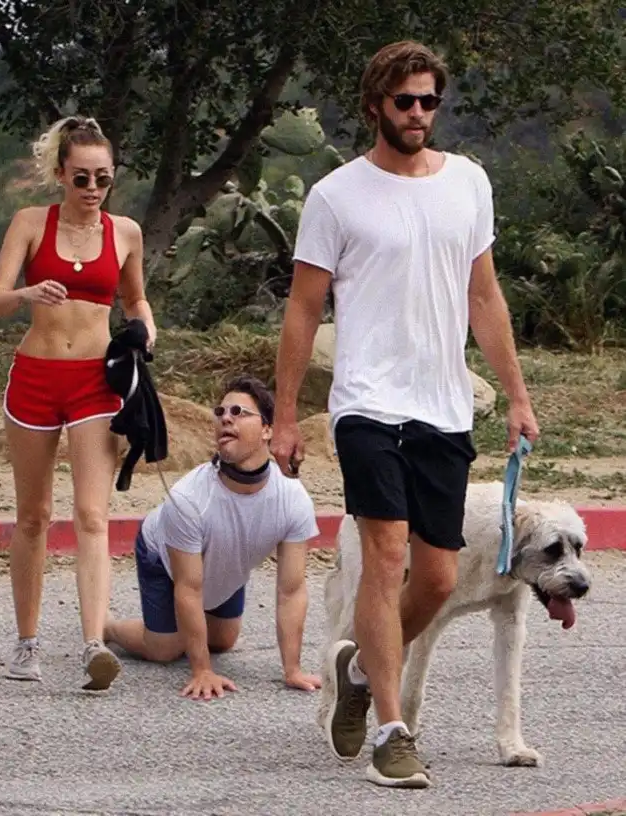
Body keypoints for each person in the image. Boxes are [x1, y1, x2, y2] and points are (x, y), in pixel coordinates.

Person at [270, 41, 540, 788]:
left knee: (440, 579)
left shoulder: (468, 182)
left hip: (443, 406)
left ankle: (359, 670)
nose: (418, 113)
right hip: (366, 403)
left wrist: (516, 395)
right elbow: (303, 309)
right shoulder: (337, 196)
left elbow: (483, 295)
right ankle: (393, 733)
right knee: (385, 556)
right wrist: (286, 416)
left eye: (429, 101)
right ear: (375, 107)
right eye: (404, 101)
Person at [0, 115, 157, 691]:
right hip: (35, 377)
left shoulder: (125, 232)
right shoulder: (31, 222)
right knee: (33, 515)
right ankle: (26, 642)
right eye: (81, 177)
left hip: (94, 382)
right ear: (60, 174)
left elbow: (135, 299)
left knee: (92, 514)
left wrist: (145, 331)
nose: (92, 189)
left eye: (102, 178)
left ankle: (92, 646)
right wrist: (27, 291)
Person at [104, 375, 322, 701]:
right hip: (162, 554)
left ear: (267, 430)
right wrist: (202, 670)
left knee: (223, 640)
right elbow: (188, 588)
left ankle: (188, 631)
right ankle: (107, 626)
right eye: (220, 412)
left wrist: (292, 670)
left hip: (224, 559)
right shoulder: (189, 498)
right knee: (165, 648)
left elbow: (291, 590)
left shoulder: (292, 497)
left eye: (239, 412)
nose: (225, 418)